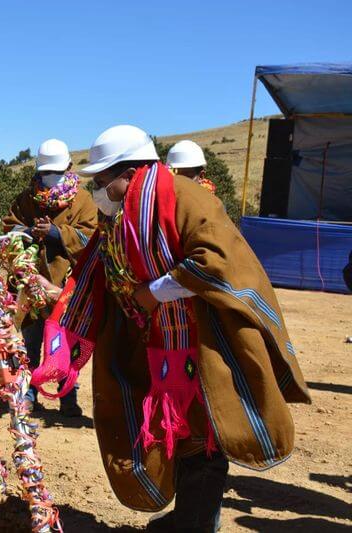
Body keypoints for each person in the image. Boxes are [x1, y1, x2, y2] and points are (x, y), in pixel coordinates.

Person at [40, 125, 310, 531]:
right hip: (156, 349)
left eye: (101, 181)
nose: (97, 190)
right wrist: (56, 297)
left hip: (204, 344)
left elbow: (215, 259)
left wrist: (155, 293)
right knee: (182, 437)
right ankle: (189, 518)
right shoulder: (120, 217)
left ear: (127, 173)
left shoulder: (186, 198)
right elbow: (97, 271)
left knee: (207, 436)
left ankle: (196, 524)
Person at [2, 138, 98, 417]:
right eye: (45, 173)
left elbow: (90, 237)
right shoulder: (25, 199)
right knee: (30, 345)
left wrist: (57, 233)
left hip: (66, 287)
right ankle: (29, 395)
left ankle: (68, 399)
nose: (49, 178)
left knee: (64, 346)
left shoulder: (83, 201)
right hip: (32, 285)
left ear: (68, 167)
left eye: (54, 172)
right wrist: (28, 230)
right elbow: (9, 227)